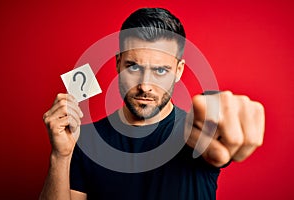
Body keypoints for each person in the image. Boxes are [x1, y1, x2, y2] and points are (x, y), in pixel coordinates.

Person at [40, 8, 265, 200]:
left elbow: (215, 130)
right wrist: (60, 156)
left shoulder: (195, 135)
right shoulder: (84, 139)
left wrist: (225, 120)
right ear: (118, 63)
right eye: (134, 67)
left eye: (160, 70)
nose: (145, 85)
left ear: (178, 71)